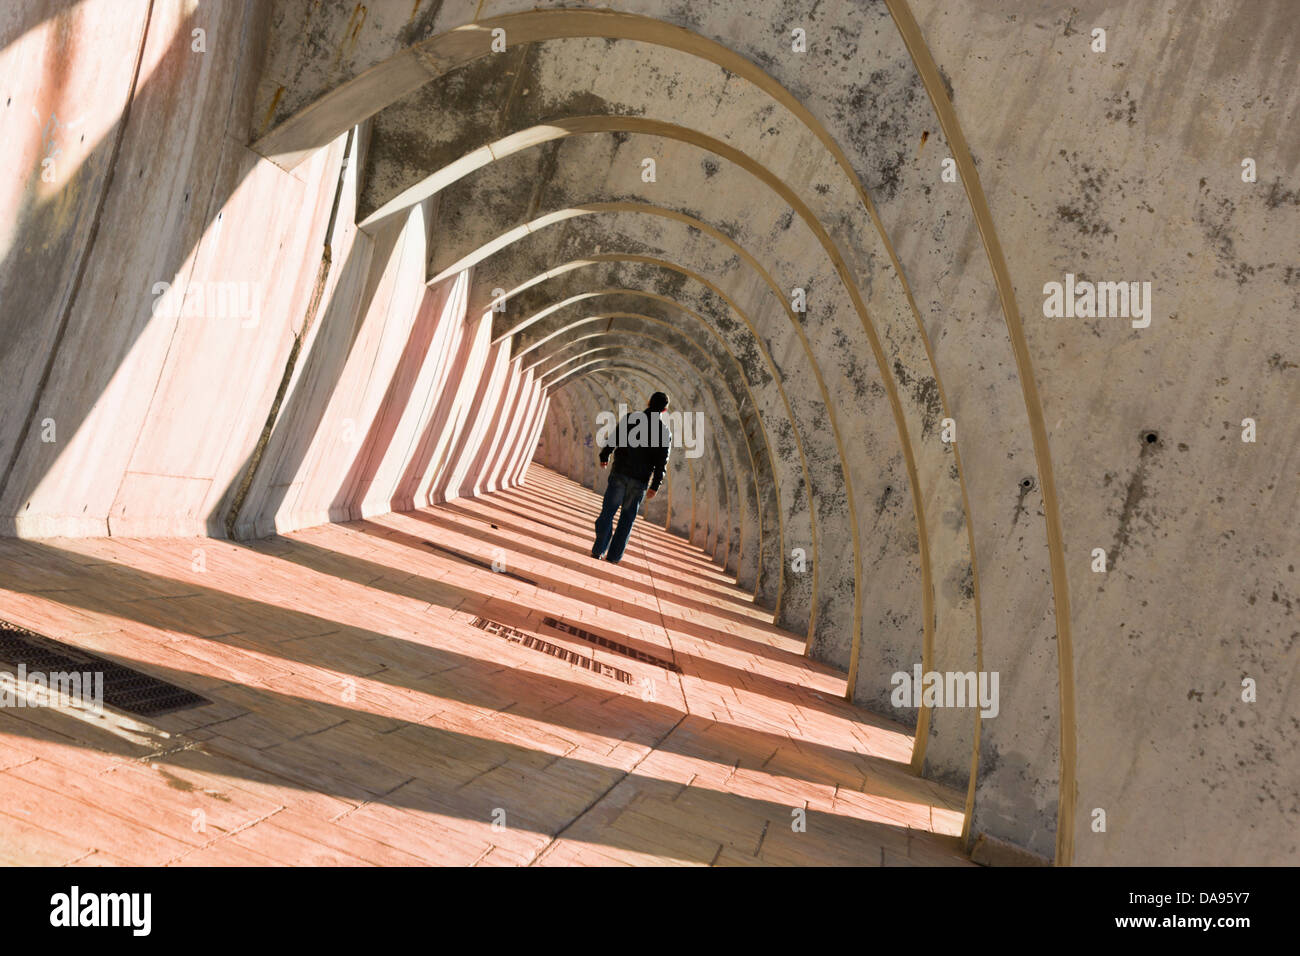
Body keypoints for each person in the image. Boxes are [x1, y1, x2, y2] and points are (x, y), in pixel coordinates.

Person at [591, 391, 672, 564]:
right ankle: (613, 557)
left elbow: (614, 438)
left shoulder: (631, 418)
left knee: (607, 513)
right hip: (640, 481)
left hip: (620, 472)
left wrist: (605, 455)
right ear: (664, 410)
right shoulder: (664, 432)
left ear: (648, 402)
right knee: (627, 519)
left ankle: (599, 550)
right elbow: (661, 462)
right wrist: (655, 485)